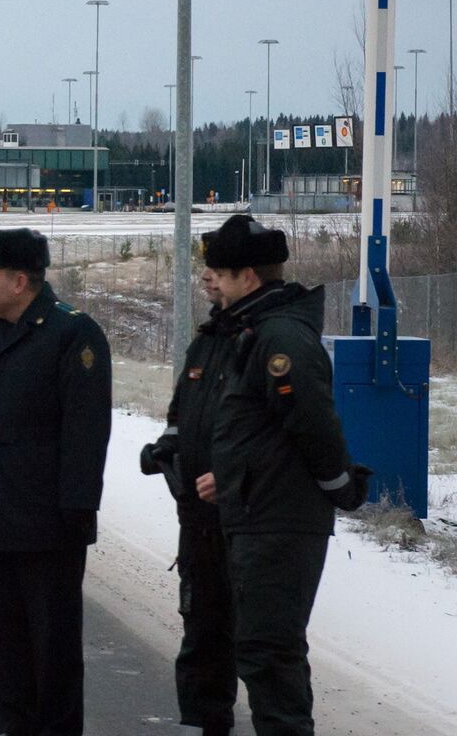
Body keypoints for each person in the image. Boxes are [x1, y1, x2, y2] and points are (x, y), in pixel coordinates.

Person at [198, 214, 368, 736]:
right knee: (262, 650)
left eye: (220, 277)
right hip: (257, 511)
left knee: (271, 654)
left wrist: (338, 483)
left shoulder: (280, 337)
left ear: (247, 277)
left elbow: (312, 421)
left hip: (279, 520)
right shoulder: (252, 329)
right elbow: (259, 430)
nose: (214, 287)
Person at [0, 228, 112, 736]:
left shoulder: (73, 334)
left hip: (49, 524)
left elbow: (87, 431)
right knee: (8, 645)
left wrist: (77, 507)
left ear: (21, 281)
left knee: (54, 651)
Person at [140, 267, 237, 736]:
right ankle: (200, 723)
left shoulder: (267, 341)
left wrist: (234, 475)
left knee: (258, 643)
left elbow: (288, 433)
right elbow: (182, 413)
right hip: (197, 517)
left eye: (217, 273)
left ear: (248, 275)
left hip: (249, 521)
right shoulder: (206, 342)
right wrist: (168, 445)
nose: (204, 279)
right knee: (200, 630)